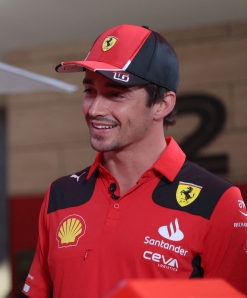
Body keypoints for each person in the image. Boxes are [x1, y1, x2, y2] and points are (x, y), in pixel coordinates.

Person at [22, 24, 247, 297]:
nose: (95, 109)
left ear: (163, 104)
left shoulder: (218, 202)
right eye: (90, 91)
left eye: (116, 94)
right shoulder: (60, 194)